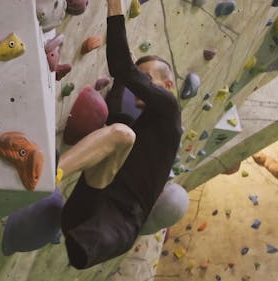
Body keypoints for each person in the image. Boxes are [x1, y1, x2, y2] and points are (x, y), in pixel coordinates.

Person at [56, 0, 183, 269]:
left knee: (123, 134)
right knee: (122, 131)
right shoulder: (138, 123)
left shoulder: (170, 111)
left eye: (147, 79)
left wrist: (114, 5)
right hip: (87, 208)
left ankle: (46, 176)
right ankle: (49, 176)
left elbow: (123, 70)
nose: (140, 86)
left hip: (115, 223)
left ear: (168, 85)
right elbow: (121, 87)